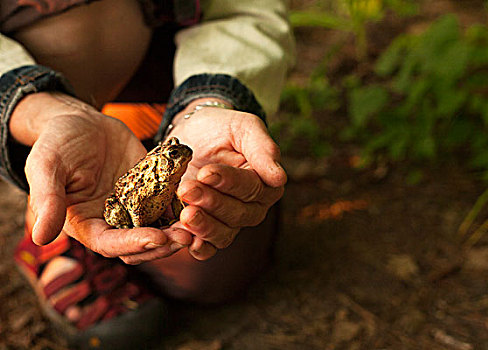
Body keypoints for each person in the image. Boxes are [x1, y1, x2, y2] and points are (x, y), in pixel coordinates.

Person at [0, 0, 295, 348]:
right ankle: (60, 202)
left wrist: (209, 97)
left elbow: (245, 10)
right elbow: (139, 200)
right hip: (42, 89)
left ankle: (137, 122)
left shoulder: (165, 172)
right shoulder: (158, 176)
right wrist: (36, 108)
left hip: (160, 60)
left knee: (212, 262)